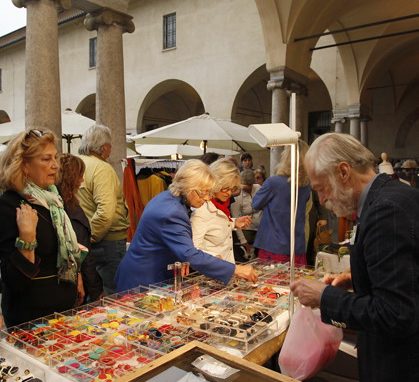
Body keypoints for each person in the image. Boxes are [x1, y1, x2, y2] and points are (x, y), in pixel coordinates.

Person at [290, 133, 419, 382]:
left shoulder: (386, 211)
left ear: (344, 172)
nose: (322, 199)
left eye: (321, 188)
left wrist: (325, 297)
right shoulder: (391, 196)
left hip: (400, 365)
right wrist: (357, 277)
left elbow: (395, 313)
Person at [115, 159, 257, 291]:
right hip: (142, 279)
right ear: (190, 188)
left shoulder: (169, 198)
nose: (207, 198)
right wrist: (235, 269)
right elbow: (189, 253)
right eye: (204, 193)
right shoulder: (171, 212)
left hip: (149, 273)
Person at [0, 129, 82, 327]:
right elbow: (13, 281)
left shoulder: (54, 200)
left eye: (56, 158)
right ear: (25, 165)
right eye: (46, 159)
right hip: (31, 319)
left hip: (64, 311)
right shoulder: (8, 206)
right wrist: (27, 238)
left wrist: (76, 274)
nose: (55, 165)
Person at [77, 124, 129, 295]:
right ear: (103, 147)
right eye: (110, 145)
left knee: (91, 291)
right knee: (112, 294)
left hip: (86, 238)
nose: (111, 149)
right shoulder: (102, 168)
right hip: (107, 241)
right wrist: (93, 236)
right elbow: (106, 212)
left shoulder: (77, 164)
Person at [253, 140, 311, 265]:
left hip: (273, 245)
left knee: (270, 282)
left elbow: (255, 204)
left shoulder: (274, 182)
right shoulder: (306, 186)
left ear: (285, 157)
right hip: (297, 245)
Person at [57, 153, 103, 302]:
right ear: (71, 178)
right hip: (74, 283)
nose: (82, 180)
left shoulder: (60, 203)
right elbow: (82, 254)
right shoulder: (69, 208)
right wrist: (96, 292)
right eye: (80, 175)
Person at [191, 158, 252, 264]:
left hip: (225, 271)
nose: (229, 193)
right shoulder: (201, 211)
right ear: (215, 183)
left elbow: (215, 224)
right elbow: (192, 250)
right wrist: (214, 258)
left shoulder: (222, 205)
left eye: (232, 189)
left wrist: (234, 222)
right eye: (225, 188)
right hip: (211, 272)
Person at [231, 169, 262, 257]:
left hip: (260, 229)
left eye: (249, 185)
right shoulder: (237, 195)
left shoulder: (259, 188)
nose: (245, 187)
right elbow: (235, 219)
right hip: (246, 231)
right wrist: (243, 241)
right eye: (243, 184)